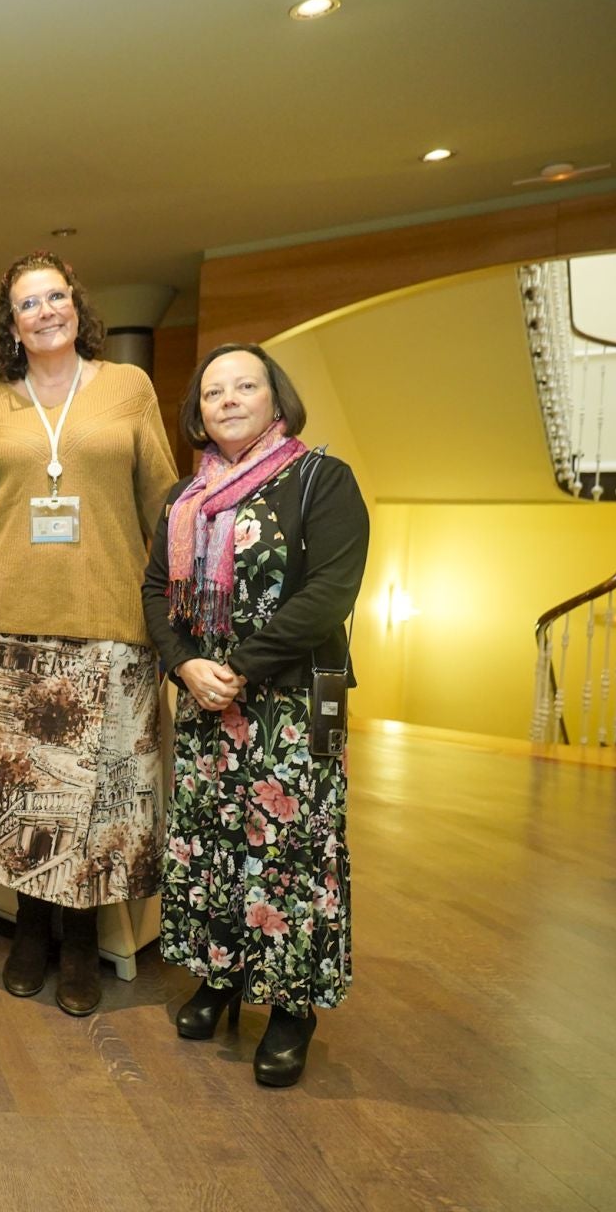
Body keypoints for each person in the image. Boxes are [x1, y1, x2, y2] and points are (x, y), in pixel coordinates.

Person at [0, 250, 178, 1017]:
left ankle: (80, 937)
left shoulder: (127, 387)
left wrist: (184, 614)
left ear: (77, 306)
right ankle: (31, 929)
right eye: (27, 303)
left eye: (56, 297)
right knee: (20, 796)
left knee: (98, 803)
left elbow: (164, 503)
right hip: (7, 627)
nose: (44, 311)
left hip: (107, 623)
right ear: (10, 322)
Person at [141, 343, 368, 1088]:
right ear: (197, 411)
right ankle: (220, 977)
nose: (229, 399)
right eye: (214, 392)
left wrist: (240, 669)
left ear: (277, 400)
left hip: (294, 702)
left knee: (293, 856)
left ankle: (293, 1009)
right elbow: (154, 592)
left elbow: (330, 592)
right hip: (208, 698)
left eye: (247, 386)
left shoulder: (320, 480)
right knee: (210, 846)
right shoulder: (184, 498)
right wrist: (186, 664)